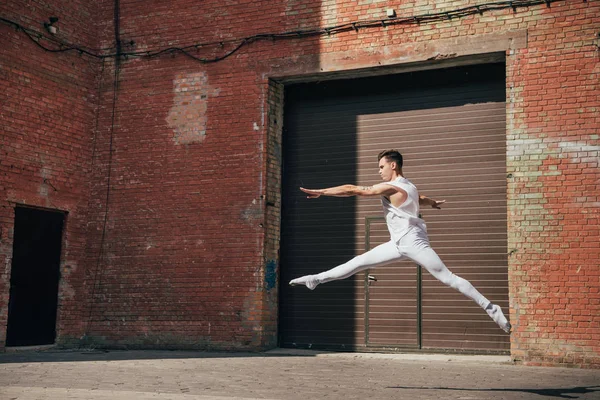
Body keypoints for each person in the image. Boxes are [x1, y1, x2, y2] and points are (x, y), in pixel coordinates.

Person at [289, 149, 511, 333]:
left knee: (448, 278)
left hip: (414, 243)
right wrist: (432, 203)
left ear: (393, 165)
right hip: (396, 244)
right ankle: (316, 279)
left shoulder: (391, 187)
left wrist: (322, 192)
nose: (379, 171)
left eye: (381, 167)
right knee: (358, 262)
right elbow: (419, 199)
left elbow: (353, 190)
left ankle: (492, 309)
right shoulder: (409, 186)